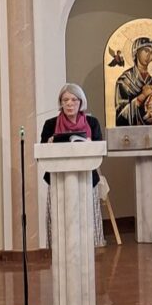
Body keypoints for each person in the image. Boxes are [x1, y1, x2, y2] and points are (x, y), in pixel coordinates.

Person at [40, 83, 106, 248]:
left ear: (81, 102)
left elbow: (101, 149)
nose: (70, 103)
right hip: (58, 181)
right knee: (62, 229)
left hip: (86, 180)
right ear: (60, 102)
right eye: (65, 100)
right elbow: (41, 152)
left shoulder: (92, 122)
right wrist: (49, 144)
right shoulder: (50, 124)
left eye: (74, 100)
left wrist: (90, 144)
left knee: (85, 226)